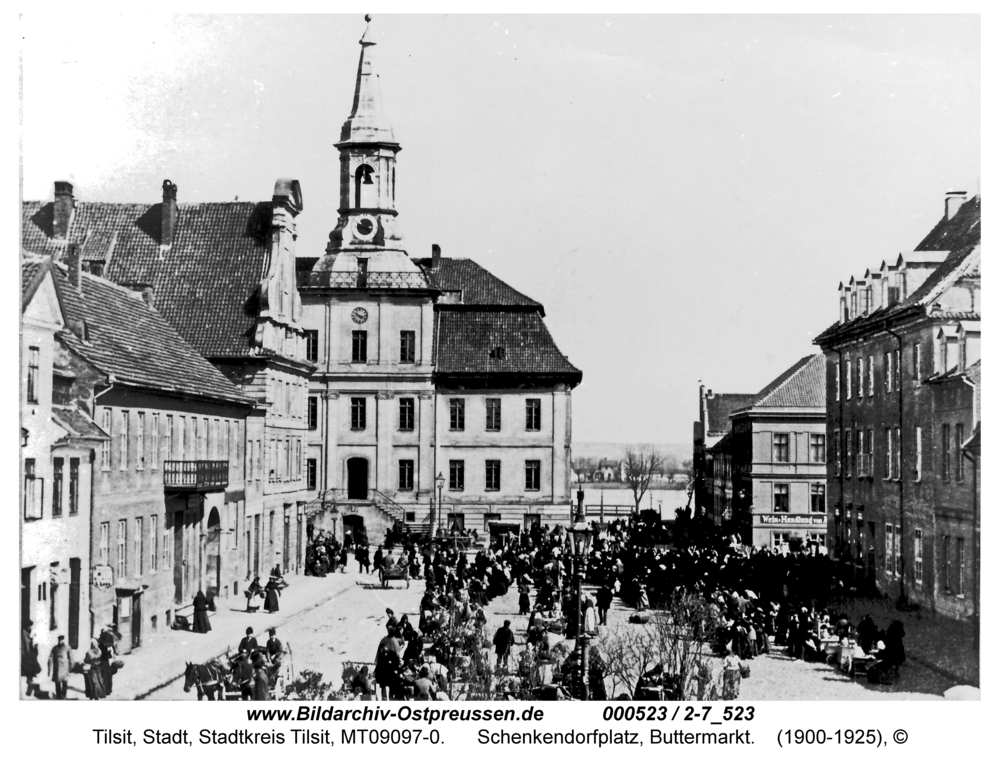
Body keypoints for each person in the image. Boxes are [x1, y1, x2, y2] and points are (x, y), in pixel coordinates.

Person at [47, 635, 73, 700]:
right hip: (57, 668)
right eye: (59, 640)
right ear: (58, 640)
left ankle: (64, 696)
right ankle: (58, 696)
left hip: (65, 669)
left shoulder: (67, 648)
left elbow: (71, 659)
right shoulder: (54, 648)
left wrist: (70, 669)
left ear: (63, 640)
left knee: (64, 683)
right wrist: (49, 669)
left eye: (62, 640)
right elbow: (50, 658)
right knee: (57, 684)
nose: (60, 641)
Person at [21, 620, 41, 698]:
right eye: (29, 626)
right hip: (27, 658)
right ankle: (29, 691)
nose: (30, 628)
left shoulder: (28, 634)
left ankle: (29, 690)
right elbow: (26, 647)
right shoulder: (24, 634)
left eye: (31, 626)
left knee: (31, 674)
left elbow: (31, 645)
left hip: (31, 657)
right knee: (30, 673)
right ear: (26, 626)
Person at [98, 625, 117, 696]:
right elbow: (113, 649)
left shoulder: (100, 640)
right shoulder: (110, 639)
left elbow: (99, 650)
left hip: (103, 659)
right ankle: (109, 689)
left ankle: (104, 690)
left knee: (103, 675)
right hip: (108, 659)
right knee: (109, 675)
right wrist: (113, 654)